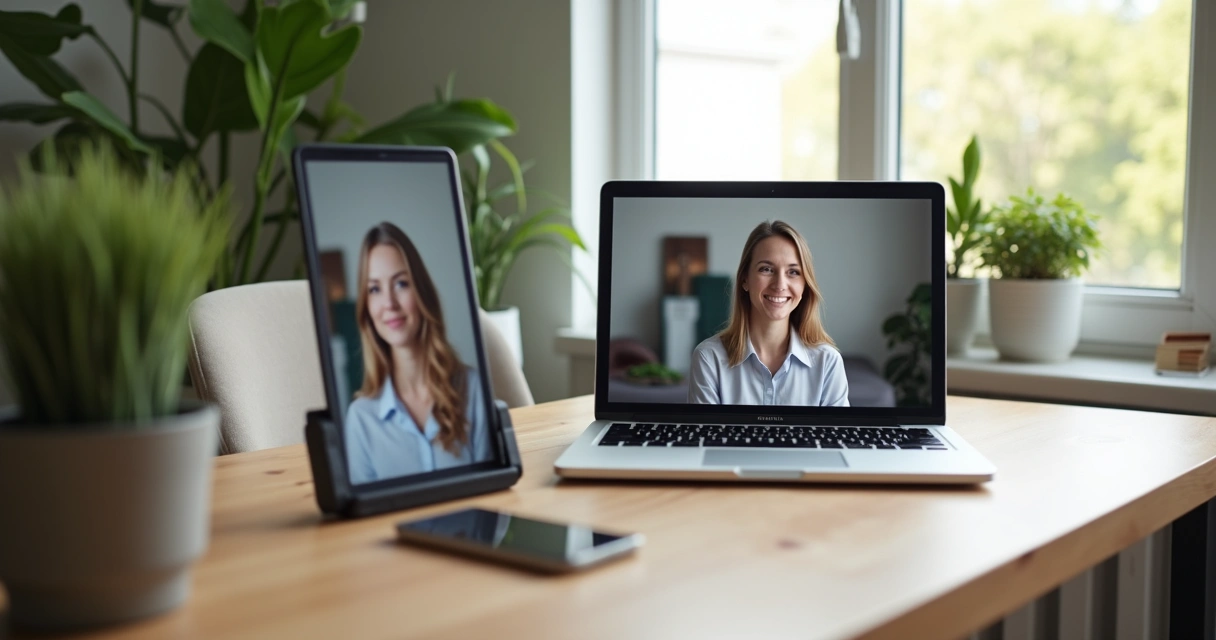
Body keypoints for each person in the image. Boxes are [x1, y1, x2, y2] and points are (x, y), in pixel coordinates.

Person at [344, 222, 491, 484]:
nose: (389, 303)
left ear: (421, 290)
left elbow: (497, 499)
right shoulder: (361, 420)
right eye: (374, 289)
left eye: (401, 283)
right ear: (366, 306)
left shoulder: (474, 390)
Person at [687, 220, 849, 406]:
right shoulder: (709, 359)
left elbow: (832, 435)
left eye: (793, 272)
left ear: (805, 284)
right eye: (767, 269)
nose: (779, 285)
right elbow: (709, 435)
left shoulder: (828, 362)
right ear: (745, 280)